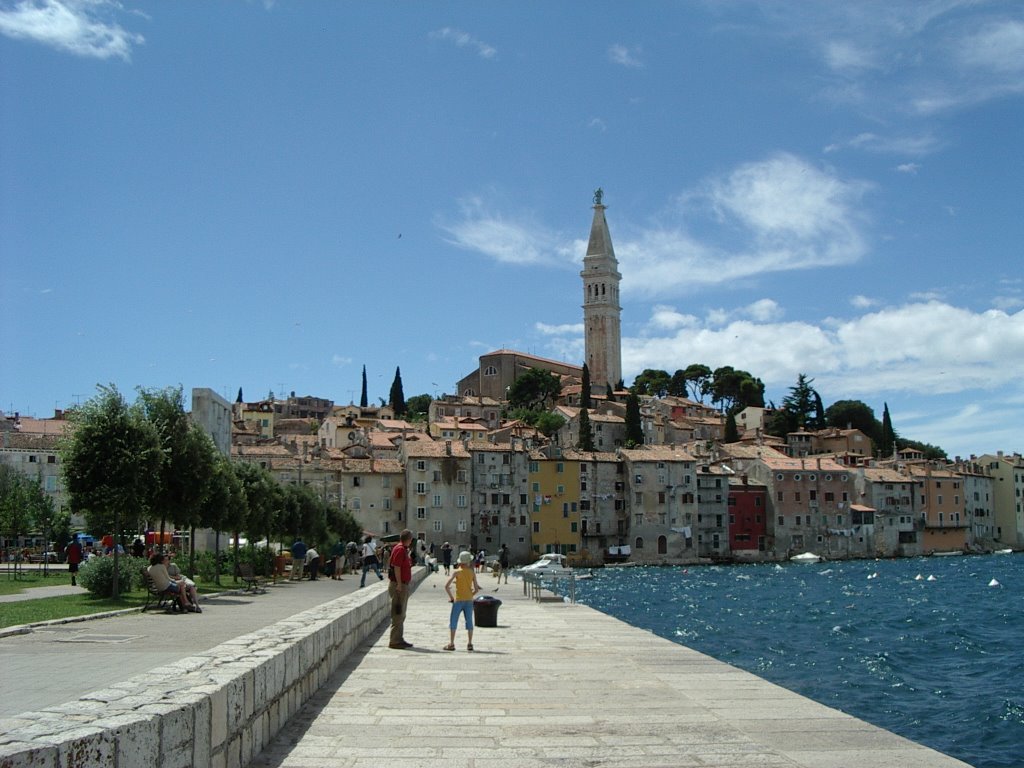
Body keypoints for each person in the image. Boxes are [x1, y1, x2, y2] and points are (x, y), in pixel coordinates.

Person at [444, 551, 481, 651]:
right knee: (469, 621)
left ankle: (451, 644)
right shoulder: (472, 572)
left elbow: (446, 586)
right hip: (469, 600)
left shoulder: (457, 572)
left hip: (458, 600)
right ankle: (469, 643)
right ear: (469, 562)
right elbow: (476, 589)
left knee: (453, 621)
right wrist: (470, 595)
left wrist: (452, 598)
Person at [387, 529, 414, 649]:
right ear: (408, 539)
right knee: (398, 613)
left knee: (401, 613)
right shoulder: (400, 549)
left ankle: (399, 638)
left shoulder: (402, 549)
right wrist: (398, 584)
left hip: (402, 584)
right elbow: (396, 567)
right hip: (399, 585)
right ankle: (394, 640)